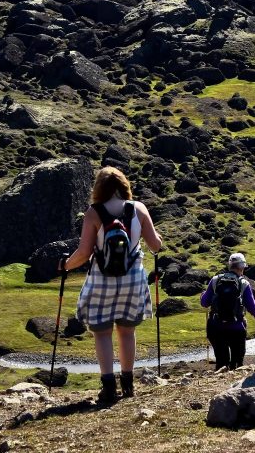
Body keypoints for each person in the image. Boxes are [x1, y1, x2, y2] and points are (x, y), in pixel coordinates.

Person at [61, 166, 162, 404]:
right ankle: (128, 384)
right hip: (133, 277)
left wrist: (64, 265)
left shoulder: (93, 213)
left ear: (98, 189)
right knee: (127, 331)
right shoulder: (139, 209)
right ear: (125, 185)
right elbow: (155, 245)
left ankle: (108, 387)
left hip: (102, 278)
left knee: (102, 333)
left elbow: (84, 253)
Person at [200, 252, 255, 370]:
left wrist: (203, 295)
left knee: (221, 364)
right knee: (237, 366)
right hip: (236, 329)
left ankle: (221, 381)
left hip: (216, 328)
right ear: (242, 267)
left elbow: (204, 303)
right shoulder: (244, 284)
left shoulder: (215, 280)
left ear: (229, 265)